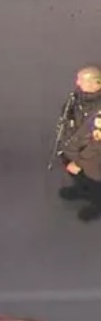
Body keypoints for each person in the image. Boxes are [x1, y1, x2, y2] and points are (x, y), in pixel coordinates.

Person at [54, 65, 101, 221]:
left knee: (93, 178)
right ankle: (82, 189)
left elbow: (97, 143)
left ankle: (97, 203)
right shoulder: (79, 98)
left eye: (82, 80)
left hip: (92, 157)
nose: (77, 82)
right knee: (74, 171)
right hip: (75, 146)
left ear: (97, 84)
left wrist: (79, 162)